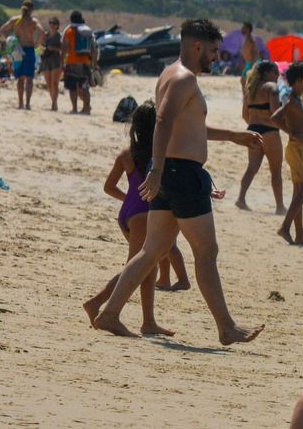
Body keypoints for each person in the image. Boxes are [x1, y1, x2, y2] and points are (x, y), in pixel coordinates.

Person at [89, 19, 263, 344]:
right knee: (206, 250)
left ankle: (110, 312)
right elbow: (164, 120)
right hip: (181, 175)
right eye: (212, 50)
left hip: (172, 172)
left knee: (152, 250)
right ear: (197, 46)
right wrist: (155, 170)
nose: (215, 57)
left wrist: (233, 136)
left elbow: (187, 128)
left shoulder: (170, 74)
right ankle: (226, 327)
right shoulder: (184, 79)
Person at [83, 102, 186, 336]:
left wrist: (129, 200)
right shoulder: (162, 153)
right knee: (136, 267)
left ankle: (149, 322)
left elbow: (108, 187)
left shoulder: (126, 154)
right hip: (146, 214)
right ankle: (96, 303)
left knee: (145, 266)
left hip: (129, 213)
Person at [270, 66, 303, 246]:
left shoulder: (296, 100)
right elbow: (275, 118)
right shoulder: (291, 101)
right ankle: (285, 227)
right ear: (297, 82)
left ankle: (299, 234)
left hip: (301, 148)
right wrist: (291, 132)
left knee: (299, 192)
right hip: (297, 148)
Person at [236, 60, 285, 214]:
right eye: (274, 72)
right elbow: (275, 113)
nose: (277, 75)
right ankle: (279, 206)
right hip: (270, 131)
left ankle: (241, 199)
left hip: (253, 129)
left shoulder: (250, 89)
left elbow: (245, 114)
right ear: (266, 73)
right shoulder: (272, 88)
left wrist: (254, 123)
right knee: (276, 171)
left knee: (251, 168)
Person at [0, 0, 40, 110]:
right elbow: (42, 33)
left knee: (20, 78)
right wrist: (37, 44)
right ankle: (27, 104)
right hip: (29, 49)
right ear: (32, 10)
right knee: (29, 78)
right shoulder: (33, 21)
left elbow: (1, 30)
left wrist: (9, 41)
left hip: (17, 49)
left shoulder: (14, 20)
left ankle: (20, 103)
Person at [61, 10, 96, 114]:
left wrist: (62, 61)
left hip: (72, 62)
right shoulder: (88, 31)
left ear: (71, 19)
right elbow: (94, 48)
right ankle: (86, 109)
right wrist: (94, 64)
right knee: (85, 87)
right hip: (85, 62)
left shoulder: (69, 30)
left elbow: (65, 47)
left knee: (72, 87)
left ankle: (74, 109)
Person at [39, 17, 64, 110]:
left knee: (54, 83)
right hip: (46, 60)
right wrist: (42, 50)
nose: (52, 25)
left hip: (56, 59)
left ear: (57, 25)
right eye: (51, 24)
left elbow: (63, 49)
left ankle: (54, 104)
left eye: (54, 24)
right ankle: (54, 101)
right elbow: (40, 46)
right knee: (48, 84)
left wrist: (54, 49)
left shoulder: (59, 36)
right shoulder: (45, 35)